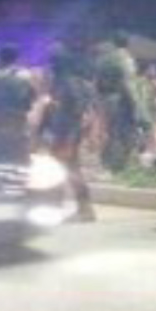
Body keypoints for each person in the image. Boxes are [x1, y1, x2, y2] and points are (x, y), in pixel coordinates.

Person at [39, 48, 98, 223]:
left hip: (66, 133)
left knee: (68, 170)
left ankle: (80, 209)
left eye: (53, 64)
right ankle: (82, 208)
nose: (51, 68)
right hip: (67, 133)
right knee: (68, 169)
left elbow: (75, 110)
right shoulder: (77, 82)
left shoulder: (67, 83)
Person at [95, 32, 142, 173]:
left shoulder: (103, 59)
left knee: (109, 131)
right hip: (121, 99)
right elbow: (128, 84)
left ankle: (105, 163)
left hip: (104, 98)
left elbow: (96, 81)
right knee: (123, 133)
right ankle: (117, 166)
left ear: (113, 42)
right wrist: (136, 104)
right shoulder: (126, 59)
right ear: (128, 43)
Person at [0, 45, 37, 144]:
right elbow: (30, 96)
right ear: (16, 59)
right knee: (8, 144)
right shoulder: (24, 74)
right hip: (13, 117)